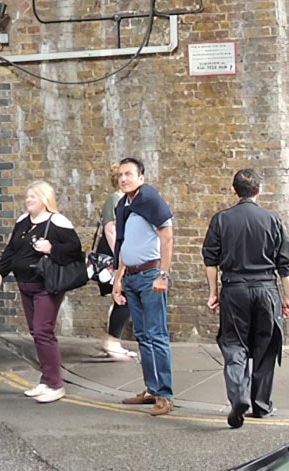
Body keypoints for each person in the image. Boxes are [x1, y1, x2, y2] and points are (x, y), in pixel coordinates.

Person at [202, 168, 289, 428]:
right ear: (259, 190)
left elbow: (211, 260)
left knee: (234, 344)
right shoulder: (272, 220)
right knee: (266, 348)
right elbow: (285, 265)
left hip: (234, 289)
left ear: (234, 191)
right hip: (266, 289)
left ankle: (238, 396)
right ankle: (262, 405)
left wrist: (213, 293)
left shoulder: (220, 220)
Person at [0, 181, 82, 403]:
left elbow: (75, 250)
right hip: (25, 285)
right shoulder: (23, 221)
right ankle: (46, 379)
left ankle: (55, 384)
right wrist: (0, 272)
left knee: (43, 331)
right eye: (27, 196)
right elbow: (12, 249)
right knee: (36, 332)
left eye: (32, 196)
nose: (27, 199)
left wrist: (52, 248)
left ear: (44, 199)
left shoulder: (58, 222)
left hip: (46, 286)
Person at [111, 157, 175, 417]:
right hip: (132, 277)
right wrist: (118, 279)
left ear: (141, 177)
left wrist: (164, 275)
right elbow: (124, 243)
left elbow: (167, 237)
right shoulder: (123, 205)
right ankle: (152, 388)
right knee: (142, 335)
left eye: (129, 174)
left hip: (150, 275)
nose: (124, 178)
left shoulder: (149, 200)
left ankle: (165, 394)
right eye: (120, 175)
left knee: (157, 334)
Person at [98, 165, 135, 360]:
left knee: (121, 296)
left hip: (120, 254)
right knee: (124, 295)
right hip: (114, 254)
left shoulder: (126, 200)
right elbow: (110, 230)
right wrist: (121, 257)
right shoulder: (115, 199)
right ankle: (112, 341)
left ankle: (112, 340)